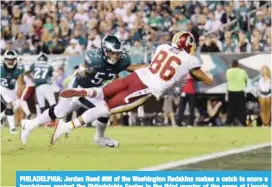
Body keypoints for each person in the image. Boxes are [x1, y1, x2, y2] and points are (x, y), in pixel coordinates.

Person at [51, 31, 214, 145]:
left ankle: (85, 93)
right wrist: (202, 74)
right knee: (104, 109)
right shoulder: (189, 60)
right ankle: (66, 126)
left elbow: (155, 66)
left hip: (139, 75)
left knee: (103, 94)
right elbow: (207, 80)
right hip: (147, 87)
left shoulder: (162, 48)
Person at [21, 35, 146, 146]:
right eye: (112, 53)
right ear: (104, 50)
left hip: (92, 90)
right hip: (79, 88)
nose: (115, 56)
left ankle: (29, 124)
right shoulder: (94, 58)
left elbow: (130, 67)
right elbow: (82, 72)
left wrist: (150, 68)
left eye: (117, 53)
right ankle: (98, 137)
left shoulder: (122, 60)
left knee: (61, 111)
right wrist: (84, 72)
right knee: (103, 109)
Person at [0, 50, 34, 134]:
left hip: (11, 90)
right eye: (8, 60)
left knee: (14, 106)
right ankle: (12, 128)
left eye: (12, 60)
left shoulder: (19, 68)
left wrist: (24, 63)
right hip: (2, 88)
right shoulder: (1, 67)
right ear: (5, 59)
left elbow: (29, 70)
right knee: (9, 105)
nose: (10, 62)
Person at [225, 60, 248, 126]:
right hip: (240, 91)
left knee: (231, 108)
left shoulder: (228, 71)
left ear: (232, 65)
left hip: (231, 91)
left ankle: (229, 122)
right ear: (238, 65)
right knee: (241, 108)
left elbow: (228, 80)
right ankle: (242, 122)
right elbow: (246, 80)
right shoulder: (243, 71)